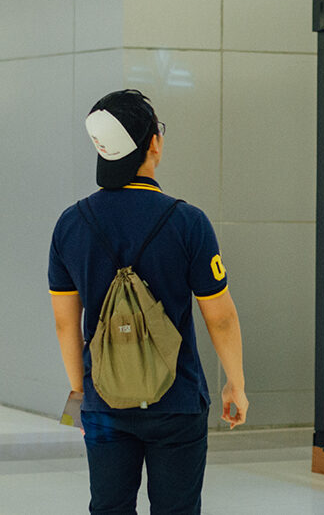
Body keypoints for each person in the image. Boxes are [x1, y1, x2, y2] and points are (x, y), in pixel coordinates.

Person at [48, 89, 247, 514]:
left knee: (109, 507)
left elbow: (66, 324)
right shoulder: (188, 222)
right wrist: (236, 383)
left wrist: (81, 395)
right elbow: (221, 318)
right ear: (153, 143)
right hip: (177, 402)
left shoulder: (71, 224)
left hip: (104, 402)